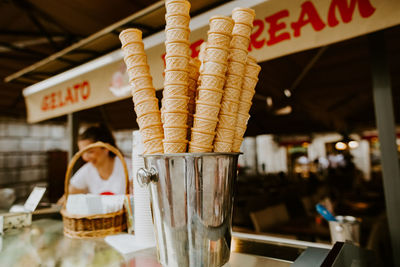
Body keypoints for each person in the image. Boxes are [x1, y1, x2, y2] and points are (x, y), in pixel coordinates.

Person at [59, 125, 131, 204]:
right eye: (83, 153)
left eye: (90, 152)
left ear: (106, 148)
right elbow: (66, 197)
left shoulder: (128, 166)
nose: (85, 158)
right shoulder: (87, 170)